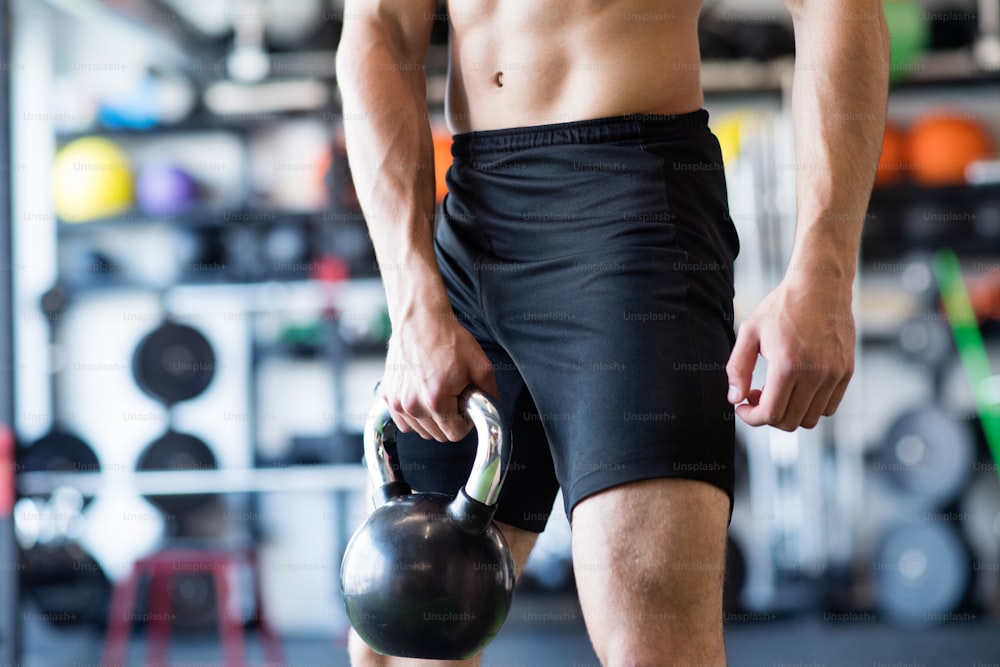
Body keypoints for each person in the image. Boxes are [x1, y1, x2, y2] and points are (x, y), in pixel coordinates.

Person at [335, 1, 889, 665]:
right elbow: (378, 26)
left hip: (632, 209)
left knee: (651, 640)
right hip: (469, 213)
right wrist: (412, 300)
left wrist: (825, 273)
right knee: (406, 624)